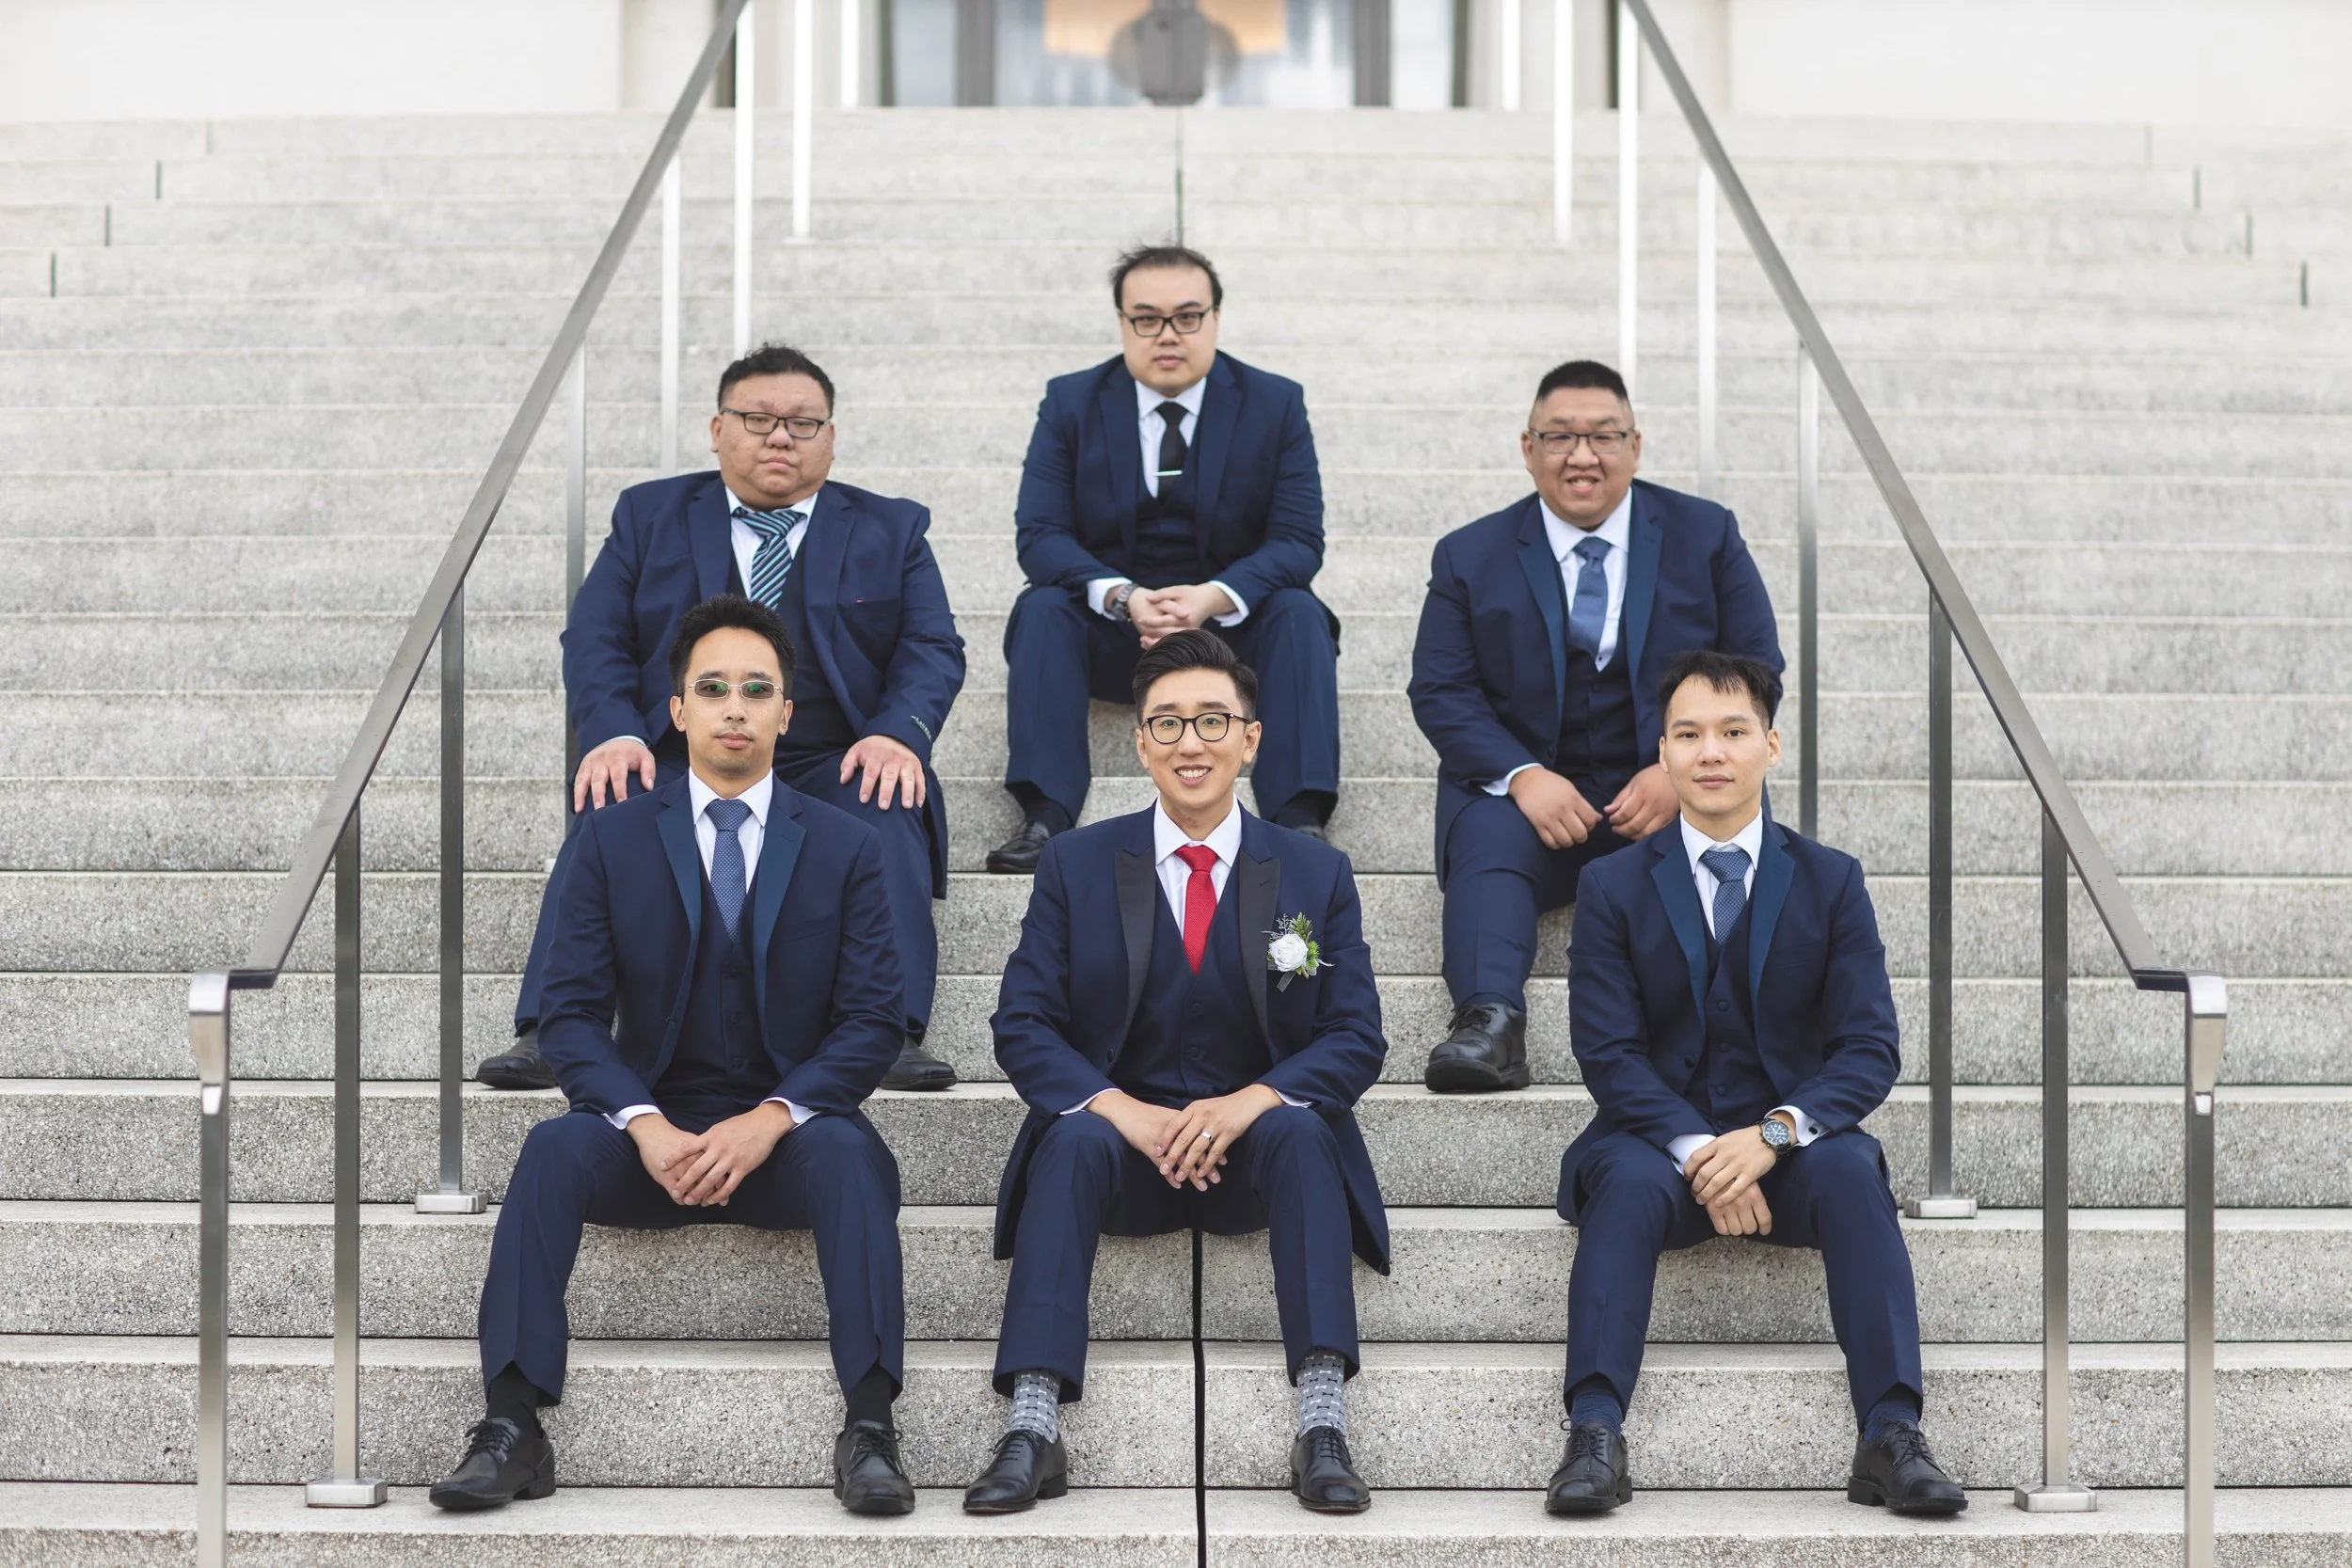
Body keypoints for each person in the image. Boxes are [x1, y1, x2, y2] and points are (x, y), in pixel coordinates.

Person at [428, 594, 917, 1516]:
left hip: (788, 1141)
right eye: (714, 687)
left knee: (849, 1156)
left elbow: (871, 1022)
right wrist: (643, 1123)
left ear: (787, 712)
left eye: (757, 689)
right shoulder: (608, 838)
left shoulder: (848, 846)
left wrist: (770, 1119)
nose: (736, 706)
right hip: (647, 1137)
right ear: (678, 708)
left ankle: (871, 1425)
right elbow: (570, 1016)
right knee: (552, 1147)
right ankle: (511, 1423)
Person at [964, 630, 1388, 1515]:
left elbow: (1355, 1036)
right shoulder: (1076, 862)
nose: (1190, 741)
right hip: (1122, 1150)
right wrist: (1124, 1110)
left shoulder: (1315, 870)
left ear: (1251, 738)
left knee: (1304, 1128)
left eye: (1211, 720)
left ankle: (1322, 1422)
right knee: (1071, 1139)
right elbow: (1022, 1023)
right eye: (1167, 722)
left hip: (1257, 1150)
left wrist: (1246, 1104)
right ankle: (1032, 1424)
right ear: (1140, 742)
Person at [1543, 650, 1965, 1520]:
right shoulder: (1611, 885)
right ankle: (1593, 1430)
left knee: (1853, 1172)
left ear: (1770, 746)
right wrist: (1706, 1151)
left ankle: (1891, 1432)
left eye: (1733, 731)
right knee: (1625, 1183)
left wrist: (1772, 1136)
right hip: (1656, 1145)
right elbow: (1608, 1053)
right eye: (1689, 733)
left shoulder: (1831, 879)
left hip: (1790, 1150)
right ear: (1663, 752)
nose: (1711, 752)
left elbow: (1869, 1047)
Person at [480, 343, 964, 1095]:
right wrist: (613, 733)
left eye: (803, 423)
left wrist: (898, 732)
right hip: (680, 752)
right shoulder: (649, 515)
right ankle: (554, 1024)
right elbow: (596, 635)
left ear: (831, 437)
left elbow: (932, 645)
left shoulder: (891, 528)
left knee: (887, 796)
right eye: (758, 418)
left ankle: (889, 1029)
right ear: (716, 429)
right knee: (613, 796)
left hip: (831, 755)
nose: (781, 437)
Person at [1408, 358, 1781, 1094]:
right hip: (1528, 799)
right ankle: (1489, 1021)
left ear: (1635, 447)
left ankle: (1735, 1024)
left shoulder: (1705, 535)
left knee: (1717, 819)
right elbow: (1441, 688)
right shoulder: (1469, 554)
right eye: (1560, 436)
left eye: (1604, 436)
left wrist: (1678, 766)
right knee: (1487, 837)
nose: (1582, 455)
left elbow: (1757, 665)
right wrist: (1523, 776)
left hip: (1669, 786)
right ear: (1528, 448)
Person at [982, 244, 1341, 874]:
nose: (1167, 335)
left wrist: (1212, 597)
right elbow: (1040, 535)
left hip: (1231, 635)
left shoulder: (1274, 403)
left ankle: (1298, 818)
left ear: (1216, 318)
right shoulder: (1071, 402)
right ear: (1123, 323)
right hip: (1115, 630)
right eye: (1147, 318)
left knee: (1298, 611)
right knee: (1042, 607)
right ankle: (1046, 815)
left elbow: (1298, 539)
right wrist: (1124, 597)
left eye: (1187, 316)